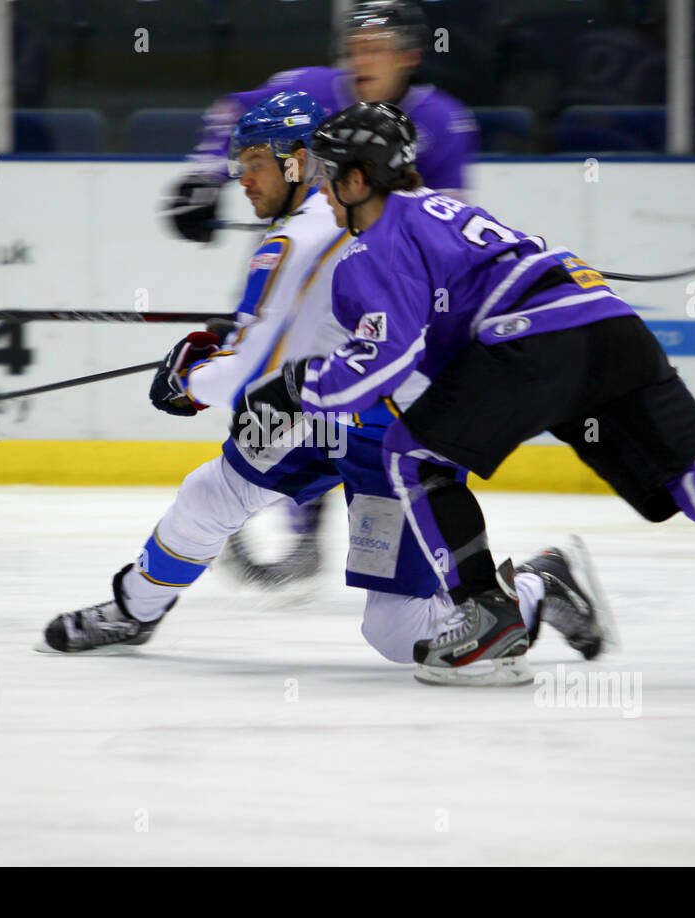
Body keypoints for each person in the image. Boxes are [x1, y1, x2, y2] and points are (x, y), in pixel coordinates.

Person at [233, 101, 695, 684]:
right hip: (608, 328)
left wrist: (294, 390)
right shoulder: (438, 212)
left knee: (411, 456)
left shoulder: (376, 243)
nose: (322, 189)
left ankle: (490, 616)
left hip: (533, 341)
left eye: (330, 175)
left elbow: (383, 365)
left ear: (360, 180)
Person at [42, 93, 612, 678]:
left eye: (256, 162)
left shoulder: (298, 239)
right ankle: (133, 611)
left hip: (390, 433)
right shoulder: (353, 212)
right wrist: (248, 337)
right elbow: (309, 328)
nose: (243, 178)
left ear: (300, 162)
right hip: (325, 405)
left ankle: (538, 587)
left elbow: (246, 373)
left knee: (398, 630)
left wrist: (186, 381)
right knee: (213, 492)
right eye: (239, 164)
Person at [166, 0, 480, 586]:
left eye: (379, 45)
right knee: (274, 377)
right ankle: (295, 517)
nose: (364, 56)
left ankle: (342, 531)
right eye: (356, 43)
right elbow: (231, 113)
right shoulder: (310, 89)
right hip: (301, 265)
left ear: (410, 55)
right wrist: (202, 178)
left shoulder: (444, 120)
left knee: (338, 400)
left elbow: (445, 223)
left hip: (380, 289)